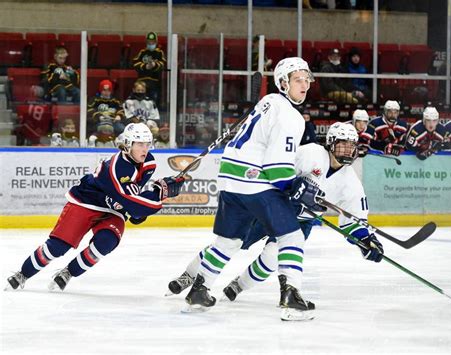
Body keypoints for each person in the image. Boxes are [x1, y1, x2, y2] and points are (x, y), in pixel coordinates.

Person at [167, 123, 384, 305]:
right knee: (232, 242)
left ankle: (238, 286)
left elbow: (353, 220)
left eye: (351, 146)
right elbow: (277, 170)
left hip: (301, 222)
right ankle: (190, 275)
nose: (347, 150)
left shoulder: (351, 183)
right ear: (330, 144)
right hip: (271, 207)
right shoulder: (311, 153)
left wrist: (366, 241)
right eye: (342, 145)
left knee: (272, 258)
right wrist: (292, 186)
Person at [181, 57, 318, 321]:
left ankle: (200, 291)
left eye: (307, 79)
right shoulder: (290, 116)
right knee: (291, 237)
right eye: (298, 79)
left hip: (230, 181)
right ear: (282, 83)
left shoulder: (266, 103)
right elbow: (277, 169)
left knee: (228, 241)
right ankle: (291, 296)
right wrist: (294, 187)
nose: (305, 85)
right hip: (256, 182)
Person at [5, 123, 184, 292]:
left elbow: (134, 202)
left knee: (107, 241)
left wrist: (153, 196)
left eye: (147, 144)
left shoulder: (149, 163)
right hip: (87, 200)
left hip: (113, 208)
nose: (145, 149)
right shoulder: (118, 168)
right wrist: (160, 194)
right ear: (128, 145)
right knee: (58, 247)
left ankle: (68, 272)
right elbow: (134, 205)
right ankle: (23, 274)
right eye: (139, 144)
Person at [132, 32, 166, 106]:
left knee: (153, 101)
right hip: (142, 81)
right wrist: (145, 66)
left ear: (156, 42)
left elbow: (163, 64)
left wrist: (154, 65)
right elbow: (134, 63)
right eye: (149, 42)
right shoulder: (142, 52)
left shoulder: (159, 53)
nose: (151, 43)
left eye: (153, 42)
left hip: (154, 81)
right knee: (140, 101)